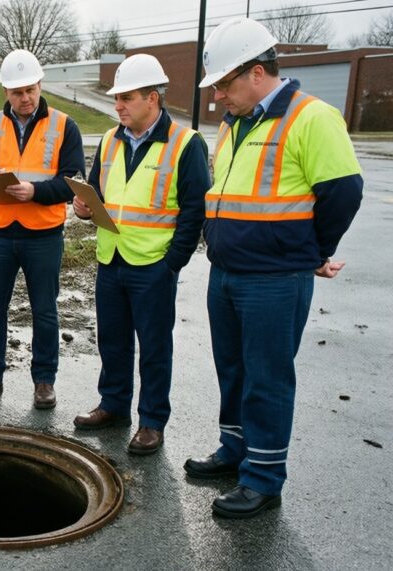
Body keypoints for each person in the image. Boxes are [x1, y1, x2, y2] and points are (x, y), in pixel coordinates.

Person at [185, 17, 363, 518]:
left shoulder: (312, 118)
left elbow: (343, 192)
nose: (218, 96)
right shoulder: (236, 123)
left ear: (257, 72)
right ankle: (236, 451)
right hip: (226, 272)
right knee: (233, 370)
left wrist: (309, 252)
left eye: (223, 83)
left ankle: (263, 477)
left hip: (273, 278)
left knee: (267, 377)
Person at [72, 54, 210, 455]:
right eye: (116, 99)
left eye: (126, 98)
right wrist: (84, 209)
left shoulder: (186, 145)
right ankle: (114, 406)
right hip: (110, 259)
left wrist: (172, 264)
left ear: (153, 98)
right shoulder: (111, 140)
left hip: (153, 265)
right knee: (112, 341)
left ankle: (152, 421)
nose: (117, 106)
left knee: (154, 347)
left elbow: (194, 211)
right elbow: (98, 192)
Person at [0, 49, 85, 408]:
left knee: (44, 310)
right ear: (5, 92)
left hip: (43, 235)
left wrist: (36, 191)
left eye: (30, 89)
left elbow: (74, 180)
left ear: (40, 85)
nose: (25, 98)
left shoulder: (64, 126)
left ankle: (44, 381)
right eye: (17, 92)